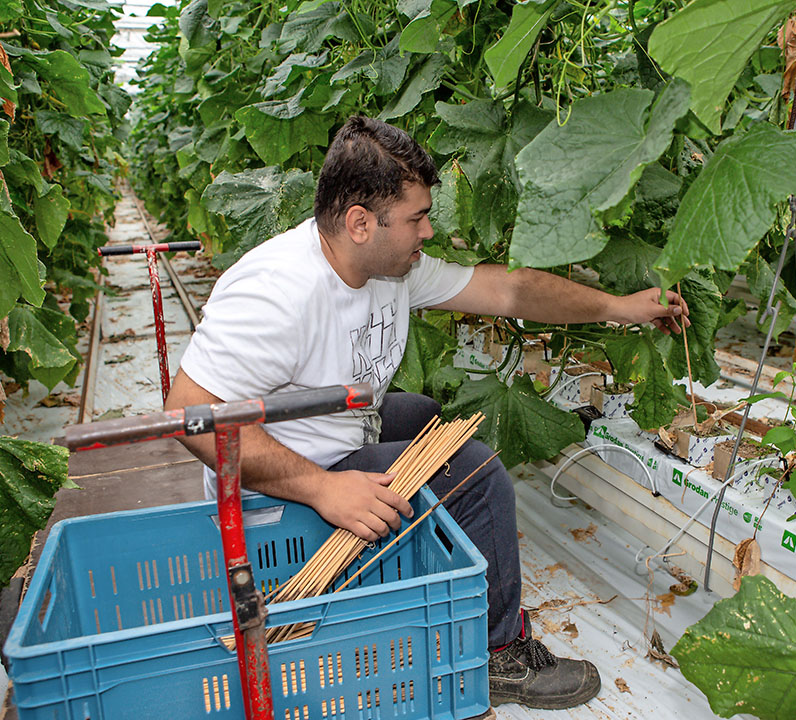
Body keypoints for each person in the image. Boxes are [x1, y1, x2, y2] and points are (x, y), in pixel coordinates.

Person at [165, 115, 689, 714]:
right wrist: (323, 487)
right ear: (361, 222)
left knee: (424, 415)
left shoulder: (385, 268)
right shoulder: (278, 292)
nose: (429, 230)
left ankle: (431, 577)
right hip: (282, 479)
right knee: (476, 473)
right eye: (416, 218)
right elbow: (190, 415)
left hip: (337, 432)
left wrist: (618, 307)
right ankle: (498, 655)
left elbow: (509, 291)